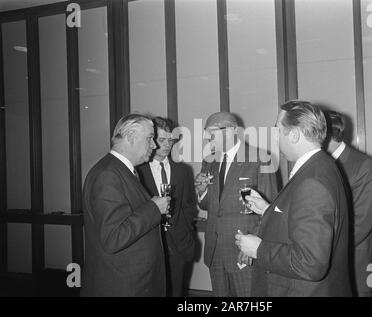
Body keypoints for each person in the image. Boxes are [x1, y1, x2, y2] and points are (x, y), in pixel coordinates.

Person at [235, 101, 352, 297]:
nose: (274, 135)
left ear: (295, 135)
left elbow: (310, 263)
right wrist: (267, 209)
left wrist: (259, 249)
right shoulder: (322, 166)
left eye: (277, 129)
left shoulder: (312, 182)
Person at [81, 114, 170, 297]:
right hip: (123, 286)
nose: (154, 145)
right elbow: (114, 237)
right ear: (130, 136)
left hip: (131, 283)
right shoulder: (108, 175)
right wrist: (154, 208)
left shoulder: (120, 170)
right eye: (149, 138)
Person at [195, 112, 278, 297]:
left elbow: (270, 210)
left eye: (211, 132)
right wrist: (202, 191)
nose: (206, 137)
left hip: (243, 252)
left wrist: (255, 244)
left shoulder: (260, 158)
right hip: (215, 252)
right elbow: (210, 206)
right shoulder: (209, 161)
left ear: (231, 130)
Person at [136, 117, 197, 297]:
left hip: (178, 245)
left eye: (170, 140)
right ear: (151, 140)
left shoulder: (183, 171)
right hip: (149, 246)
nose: (167, 145)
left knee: (176, 292)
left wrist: (182, 231)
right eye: (162, 140)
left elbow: (189, 207)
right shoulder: (137, 171)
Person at [324, 110, 372, 297]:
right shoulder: (319, 164)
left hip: (356, 265)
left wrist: (318, 249)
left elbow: (361, 223)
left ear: (326, 134)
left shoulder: (365, 166)